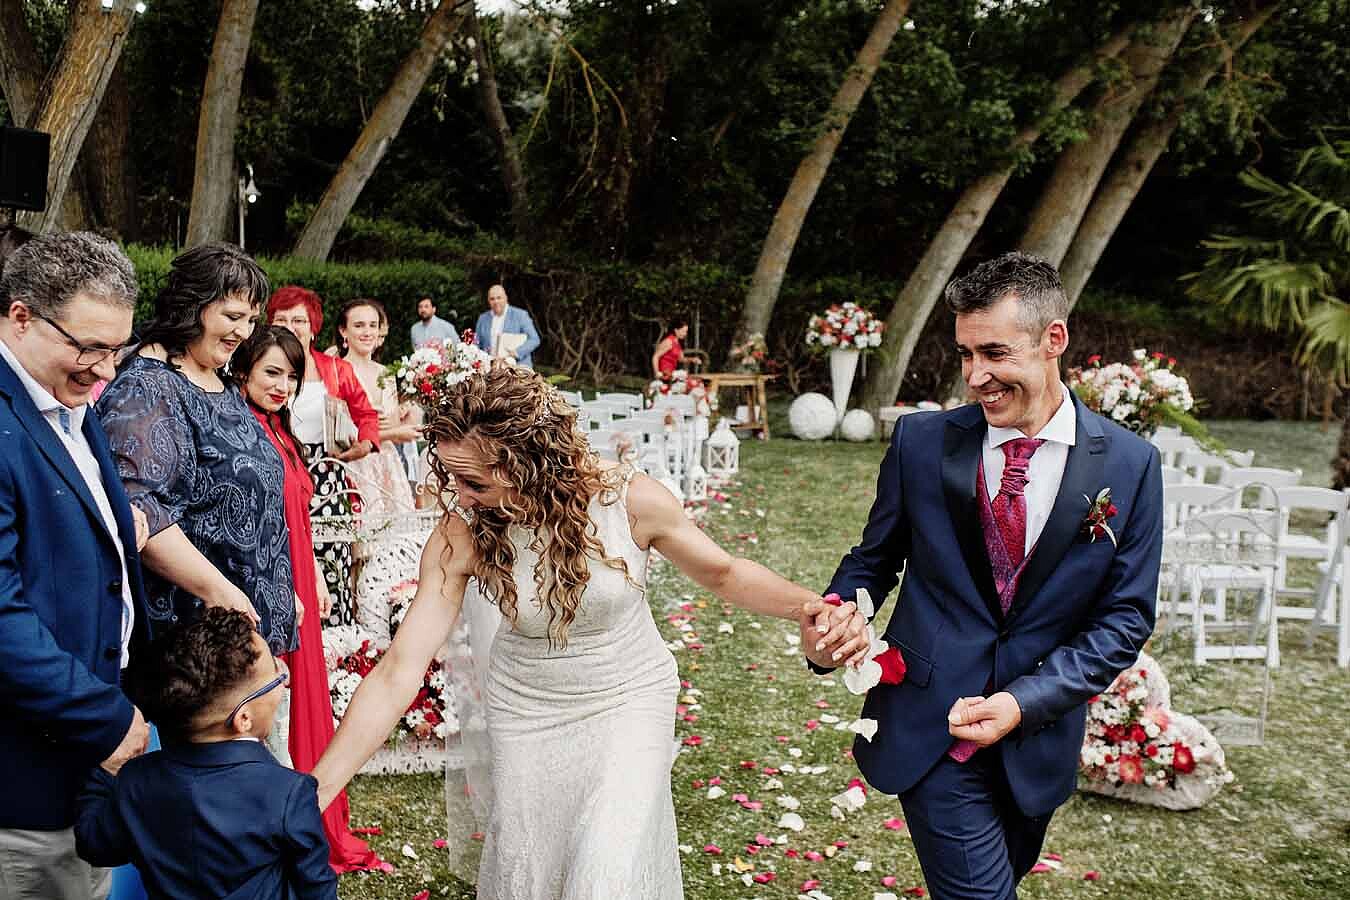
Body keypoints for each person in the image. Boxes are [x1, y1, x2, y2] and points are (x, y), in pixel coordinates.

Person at [309, 359, 869, 899]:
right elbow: (398, 671)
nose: (458, 496)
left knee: (605, 869)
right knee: (534, 868)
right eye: (451, 476)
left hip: (628, 700)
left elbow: (723, 573)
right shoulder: (463, 534)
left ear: (524, 464)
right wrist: (317, 791)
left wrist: (808, 607)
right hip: (526, 711)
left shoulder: (629, 501)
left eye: (473, 481)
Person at [807, 252, 1163, 899]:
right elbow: (874, 559)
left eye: (994, 353)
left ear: (1054, 339)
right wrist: (838, 614)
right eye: (966, 355)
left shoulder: (1131, 465)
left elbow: (1125, 617)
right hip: (931, 725)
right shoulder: (921, 443)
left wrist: (1025, 702)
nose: (976, 376)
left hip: (1037, 740)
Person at [0, 231, 151, 900]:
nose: (105, 371)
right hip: (22, 781)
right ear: (21, 316)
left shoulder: (63, 397)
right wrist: (105, 719)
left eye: (117, 350)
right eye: (88, 347)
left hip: (81, 768)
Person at [231, 326, 384, 874]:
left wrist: (312, 574)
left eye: (292, 377)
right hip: (268, 580)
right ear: (243, 368)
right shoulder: (239, 428)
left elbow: (297, 515)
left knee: (304, 695)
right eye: (272, 372)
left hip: (297, 573)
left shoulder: (279, 427)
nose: (283, 386)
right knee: (273, 701)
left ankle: (309, 809)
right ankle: (275, 822)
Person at [97, 243, 297, 660]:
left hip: (247, 626)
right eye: (233, 317)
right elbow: (141, 510)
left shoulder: (217, 378)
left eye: (252, 320)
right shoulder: (147, 387)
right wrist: (219, 590)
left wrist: (280, 584)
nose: (245, 332)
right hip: (196, 639)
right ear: (193, 306)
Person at [75, 608, 338, 900]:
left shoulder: (135, 781)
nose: (284, 680)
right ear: (243, 718)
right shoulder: (290, 794)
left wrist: (104, 771)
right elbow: (317, 892)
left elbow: (93, 844)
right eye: (276, 677)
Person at [268, 285, 381, 628]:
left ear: (313, 327)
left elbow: (367, 415)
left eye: (299, 320)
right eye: (282, 319)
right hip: (278, 469)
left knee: (332, 558)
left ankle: (339, 640)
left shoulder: (334, 369)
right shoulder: (260, 367)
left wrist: (365, 444)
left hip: (326, 475)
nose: (291, 326)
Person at [338, 299, 418, 521]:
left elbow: (392, 424)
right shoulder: (337, 371)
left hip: (388, 464)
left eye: (373, 325)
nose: (367, 332)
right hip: (357, 467)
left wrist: (407, 419)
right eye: (359, 325)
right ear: (343, 331)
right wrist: (395, 433)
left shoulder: (386, 373)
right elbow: (342, 436)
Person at [473, 283, 540, 368]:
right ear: (488, 301)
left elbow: (534, 339)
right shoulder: (482, 319)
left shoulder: (520, 315)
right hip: (490, 368)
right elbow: (476, 343)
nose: (496, 301)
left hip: (518, 367)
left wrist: (516, 352)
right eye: (492, 299)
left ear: (506, 298)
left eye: (499, 298)